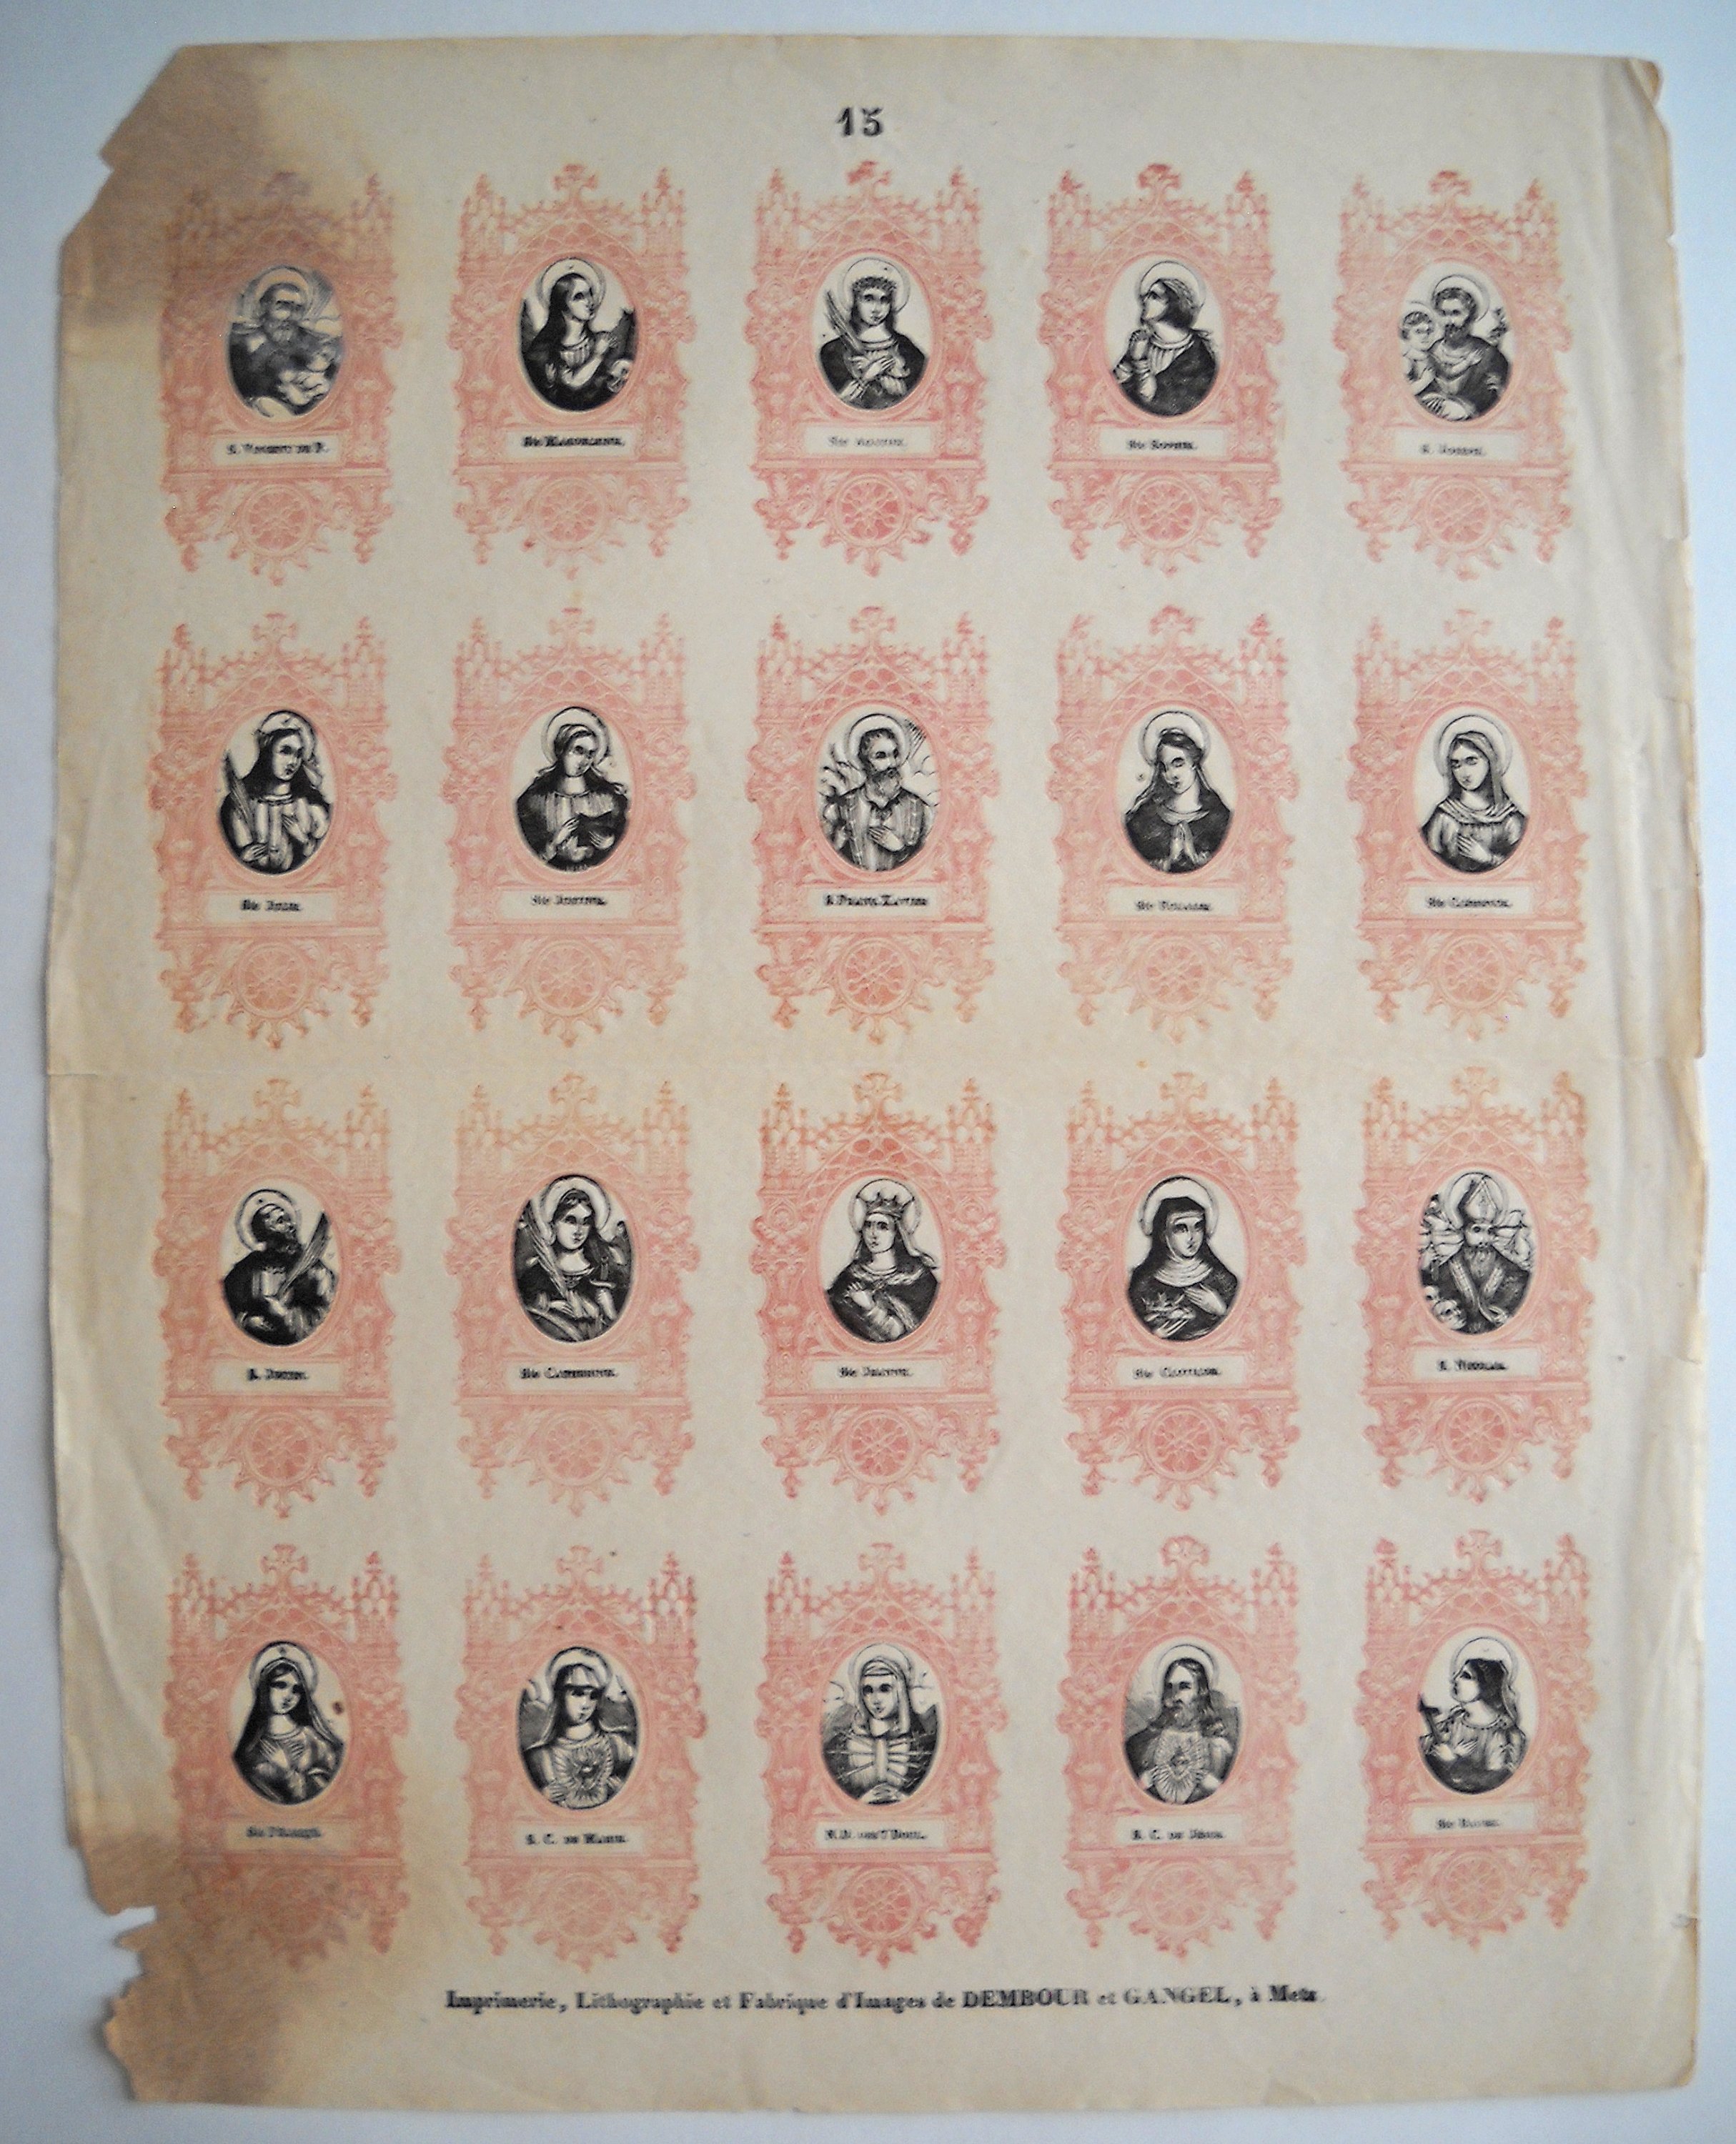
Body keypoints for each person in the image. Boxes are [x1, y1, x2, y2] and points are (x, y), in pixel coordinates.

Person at [515, 1178, 633, 1345]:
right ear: (554, 1224)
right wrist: (549, 1307)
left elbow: (624, 1331)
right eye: (570, 1220)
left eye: (585, 1222)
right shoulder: (535, 1274)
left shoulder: (607, 1273)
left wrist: (608, 1311)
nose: (578, 1231)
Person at [521, 1649, 638, 1810]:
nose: (586, 1704)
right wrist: (541, 1798)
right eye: (578, 1693)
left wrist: (622, 1788)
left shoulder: (618, 1745)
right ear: (560, 1695)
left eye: (593, 1695)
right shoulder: (539, 1757)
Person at [515, 710, 630, 871]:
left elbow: (627, 844)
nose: (584, 761)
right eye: (578, 751)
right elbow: (524, 857)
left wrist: (609, 842)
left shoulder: (608, 799)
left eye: (590, 754)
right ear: (561, 750)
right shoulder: (534, 801)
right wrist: (554, 844)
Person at [825, 1180, 939, 1343]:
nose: (873, 1234)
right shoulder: (849, 1277)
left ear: (897, 1233)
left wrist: (870, 1307)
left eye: (882, 1227)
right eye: (868, 1226)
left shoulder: (920, 1279)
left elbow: (910, 1331)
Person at [220, 710, 331, 875]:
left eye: (298, 754)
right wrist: (244, 859)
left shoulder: (311, 807)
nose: (293, 762)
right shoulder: (239, 806)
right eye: (285, 751)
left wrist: (304, 841)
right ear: (267, 751)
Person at [1127, 1179, 1239, 1343]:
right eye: (1181, 1229)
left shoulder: (1223, 1280)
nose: (1191, 1237)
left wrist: (1221, 1311)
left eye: (1198, 1227)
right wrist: (1155, 1336)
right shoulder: (1143, 1285)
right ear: (1163, 1235)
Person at [232, 1642, 344, 1805]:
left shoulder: (313, 1741)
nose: (289, 1696)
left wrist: (286, 1771)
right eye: (281, 1685)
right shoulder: (251, 1746)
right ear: (264, 1688)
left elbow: (319, 1792)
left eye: (296, 1690)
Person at [1420, 1173, 1532, 1335]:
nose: (1484, 1239)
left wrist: (1508, 1320)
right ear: (1463, 1230)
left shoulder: (1515, 1273)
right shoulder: (1442, 1272)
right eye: (1477, 1230)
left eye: (1490, 1231)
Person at [823, 1647, 938, 1804]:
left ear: (900, 1691)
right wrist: (862, 1802)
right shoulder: (838, 1747)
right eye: (868, 1690)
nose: (876, 1700)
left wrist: (902, 1799)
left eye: (885, 1689)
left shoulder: (924, 1745)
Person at [223, 1189, 336, 1347]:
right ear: (263, 1233)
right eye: (281, 1221)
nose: (291, 1226)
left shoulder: (314, 1270)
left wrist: (285, 1316)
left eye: (289, 1220)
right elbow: (228, 1307)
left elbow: (325, 1316)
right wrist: (246, 1322)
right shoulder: (245, 1270)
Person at [820, 716, 933, 873]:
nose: (892, 764)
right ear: (863, 761)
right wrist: (837, 844)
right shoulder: (838, 810)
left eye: (895, 754)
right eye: (881, 756)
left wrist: (901, 850)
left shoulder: (920, 809)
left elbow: (930, 863)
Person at [1124, 1652, 1239, 1805]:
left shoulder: (1221, 1747)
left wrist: (1216, 1788)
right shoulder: (1141, 1744)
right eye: (1169, 1687)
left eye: (1184, 1687)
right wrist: (1140, 1786)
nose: (1175, 1697)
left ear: (1201, 1694)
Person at [520, 260, 636, 412]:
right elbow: (573, 383)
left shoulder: (604, 341)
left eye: (590, 293)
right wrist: (598, 355)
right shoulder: (545, 351)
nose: (590, 301)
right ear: (563, 305)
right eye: (579, 296)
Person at [1124, 713, 1231, 873]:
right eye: (1164, 767)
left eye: (1178, 763)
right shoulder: (1143, 820)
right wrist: (1169, 863)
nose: (1171, 775)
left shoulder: (1220, 819)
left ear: (1194, 762)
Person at [228, 272, 342, 419]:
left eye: (298, 308)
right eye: (283, 306)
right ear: (264, 306)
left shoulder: (317, 344)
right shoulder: (241, 345)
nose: (290, 316)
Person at [818, 259, 927, 410]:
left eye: (884, 300)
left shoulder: (907, 349)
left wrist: (882, 376)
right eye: (869, 299)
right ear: (855, 301)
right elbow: (833, 404)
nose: (877, 309)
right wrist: (867, 377)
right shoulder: (833, 351)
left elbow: (917, 397)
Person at [1421, 720, 1526, 873]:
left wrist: (1488, 859)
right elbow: (1427, 865)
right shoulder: (1443, 817)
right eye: (1456, 764)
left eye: (1471, 761)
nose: (1464, 772)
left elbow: (1524, 867)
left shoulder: (1510, 818)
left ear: (1490, 761)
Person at [1419, 1645, 1527, 1794]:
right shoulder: (1455, 1721)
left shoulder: (1503, 1733)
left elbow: (1493, 1781)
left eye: (1466, 1676)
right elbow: (1426, 1751)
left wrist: (1453, 1761)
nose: (1455, 1679)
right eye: (1458, 1674)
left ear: (1486, 1685)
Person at [1113, 264, 1218, 418]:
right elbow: (1114, 387)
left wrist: (1140, 362)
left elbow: (1157, 403)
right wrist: (1130, 362)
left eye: (1154, 296)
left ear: (1174, 304)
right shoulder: (1142, 343)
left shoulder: (1198, 355)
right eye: (1146, 295)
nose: (1144, 300)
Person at [1413, 276, 1509, 421]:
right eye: (1443, 313)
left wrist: (1466, 407)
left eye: (1456, 313)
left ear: (1471, 316)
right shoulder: (1430, 351)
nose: (1449, 321)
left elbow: (1496, 396)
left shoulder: (1488, 354)